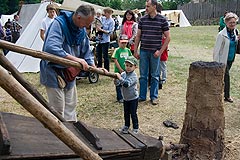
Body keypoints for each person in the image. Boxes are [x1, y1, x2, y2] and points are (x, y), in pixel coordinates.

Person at [40, 5, 96, 122]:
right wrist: (76, 60)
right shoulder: (59, 24)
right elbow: (51, 48)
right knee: (58, 110)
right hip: (53, 71)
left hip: (70, 74)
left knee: (70, 108)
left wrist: (94, 67)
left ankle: (71, 136)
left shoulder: (81, 31)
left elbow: (86, 52)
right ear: (79, 17)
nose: (87, 26)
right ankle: (57, 137)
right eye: (86, 23)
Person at [134, 0, 170, 105]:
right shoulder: (142, 20)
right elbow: (138, 36)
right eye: (146, 6)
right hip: (144, 51)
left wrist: (160, 51)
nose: (146, 8)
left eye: (148, 6)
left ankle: (154, 97)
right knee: (143, 75)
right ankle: (142, 96)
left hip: (155, 52)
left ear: (154, 7)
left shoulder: (162, 20)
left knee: (155, 75)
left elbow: (168, 38)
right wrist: (135, 50)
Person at [213, 12, 239, 103]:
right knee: (226, 77)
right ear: (226, 23)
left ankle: (217, 93)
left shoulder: (236, 32)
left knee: (223, 78)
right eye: (230, 22)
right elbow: (216, 50)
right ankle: (227, 96)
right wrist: (216, 63)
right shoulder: (221, 34)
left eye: (234, 22)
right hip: (223, 60)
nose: (232, 24)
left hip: (231, 59)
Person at [115, 56, 139, 134]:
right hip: (126, 98)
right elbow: (119, 84)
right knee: (126, 113)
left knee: (133, 113)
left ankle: (135, 128)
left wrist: (119, 78)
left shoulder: (134, 76)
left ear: (135, 67)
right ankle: (126, 125)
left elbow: (126, 84)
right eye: (126, 65)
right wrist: (116, 80)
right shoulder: (123, 74)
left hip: (133, 98)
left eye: (130, 66)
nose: (128, 68)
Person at [112, 34, 132, 103]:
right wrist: (120, 69)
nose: (124, 44)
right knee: (118, 84)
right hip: (119, 71)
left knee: (124, 84)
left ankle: (125, 96)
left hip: (126, 71)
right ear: (119, 42)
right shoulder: (117, 50)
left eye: (125, 43)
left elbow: (131, 59)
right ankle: (119, 97)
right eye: (122, 43)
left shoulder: (128, 50)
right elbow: (115, 59)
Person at [96, 7, 115, 71]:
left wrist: (102, 30)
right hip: (99, 40)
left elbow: (110, 32)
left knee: (105, 56)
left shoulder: (112, 21)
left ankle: (106, 70)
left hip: (106, 41)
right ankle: (99, 68)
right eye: (104, 12)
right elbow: (97, 22)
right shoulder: (102, 19)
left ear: (109, 13)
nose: (105, 14)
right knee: (99, 54)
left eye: (106, 12)